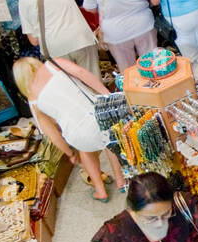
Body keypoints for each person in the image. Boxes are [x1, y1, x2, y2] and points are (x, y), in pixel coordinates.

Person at [12, 55, 125, 201]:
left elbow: (50, 131)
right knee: (109, 142)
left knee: (85, 152)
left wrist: (69, 153)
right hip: (96, 113)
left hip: (75, 132)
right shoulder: (53, 65)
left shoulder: (32, 98)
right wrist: (106, 94)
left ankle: (100, 190)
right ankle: (121, 181)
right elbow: (82, 73)